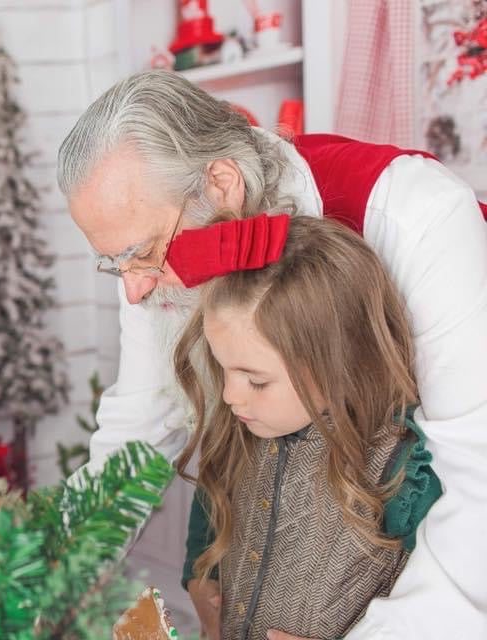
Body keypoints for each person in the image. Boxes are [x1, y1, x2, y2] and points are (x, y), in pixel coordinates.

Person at [56, 69, 487, 639]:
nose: (133, 290)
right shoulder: (159, 251)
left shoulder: (414, 215)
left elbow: (477, 484)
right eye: (114, 264)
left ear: (222, 182)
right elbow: (141, 425)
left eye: (141, 255)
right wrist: (47, 577)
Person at [171, 213, 440, 640]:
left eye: (256, 379)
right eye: (223, 371)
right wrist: (199, 576)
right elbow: (213, 496)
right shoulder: (245, 425)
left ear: (336, 363)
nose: (229, 396)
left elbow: (451, 606)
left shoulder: (403, 463)